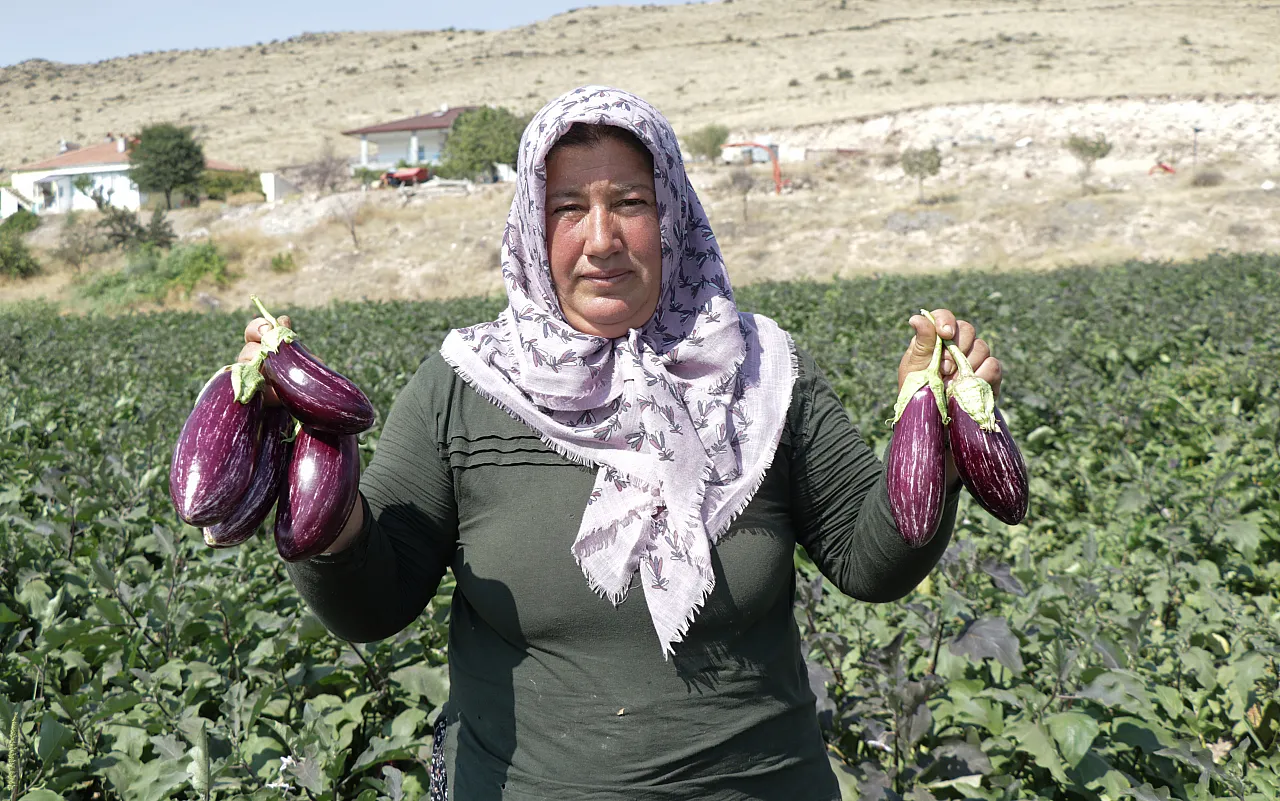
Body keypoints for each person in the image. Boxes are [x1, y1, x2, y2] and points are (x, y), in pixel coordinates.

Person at [238, 86, 1003, 801]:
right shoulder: (466, 386)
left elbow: (871, 562)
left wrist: (931, 431)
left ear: (671, 217)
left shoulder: (762, 371)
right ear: (533, 232)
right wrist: (321, 499)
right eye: (568, 207)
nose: (600, 238)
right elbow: (374, 601)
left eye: (629, 203)